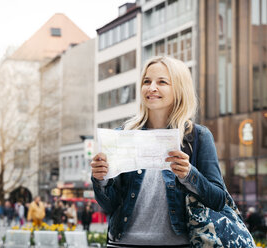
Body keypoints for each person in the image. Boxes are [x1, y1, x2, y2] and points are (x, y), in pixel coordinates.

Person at [91, 56, 228, 247]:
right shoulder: (122, 136)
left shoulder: (197, 137)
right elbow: (109, 206)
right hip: (123, 243)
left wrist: (189, 175)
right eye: (146, 81)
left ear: (179, 88)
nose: (151, 87)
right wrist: (101, 180)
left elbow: (218, 200)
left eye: (162, 82)